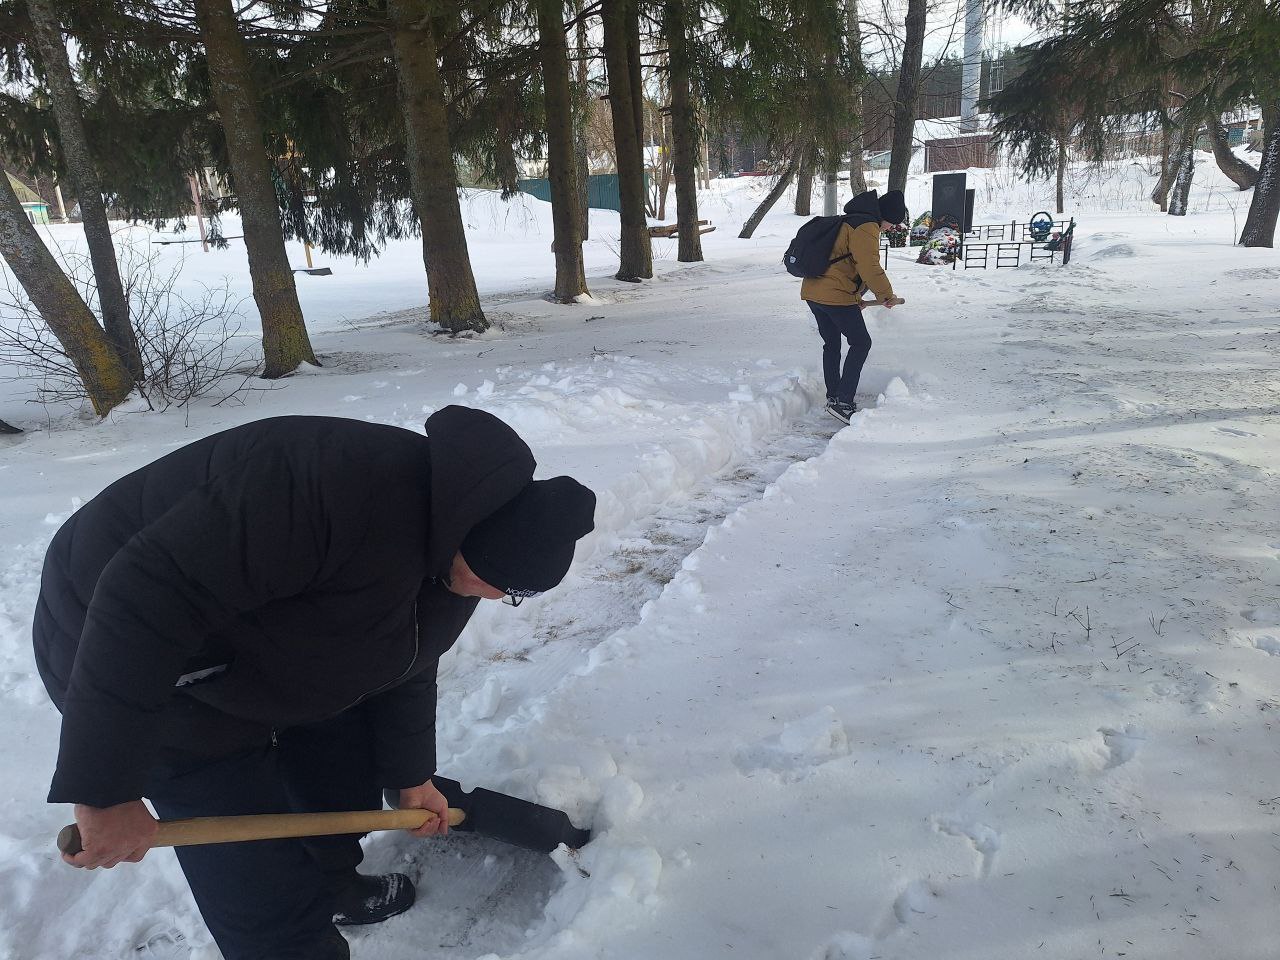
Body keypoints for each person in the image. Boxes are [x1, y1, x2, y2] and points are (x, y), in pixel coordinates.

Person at [32, 406, 596, 960]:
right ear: (475, 541)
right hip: (120, 637)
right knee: (250, 858)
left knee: (338, 751)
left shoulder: (459, 545)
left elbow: (408, 658)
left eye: (511, 593)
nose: (497, 597)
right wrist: (106, 789)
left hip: (253, 626)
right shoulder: (329, 491)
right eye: (500, 583)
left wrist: (410, 774)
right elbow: (143, 602)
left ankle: (333, 886)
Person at [800, 188, 907, 425]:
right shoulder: (866, 227)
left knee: (832, 343)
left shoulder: (850, 220)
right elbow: (869, 266)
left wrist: (857, 296)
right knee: (861, 343)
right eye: (892, 223)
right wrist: (886, 295)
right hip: (834, 294)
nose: (891, 228)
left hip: (813, 292)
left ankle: (833, 396)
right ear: (886, 216)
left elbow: (847, 265)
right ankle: (843, 402)